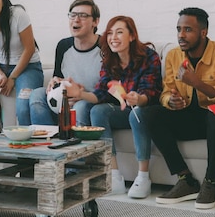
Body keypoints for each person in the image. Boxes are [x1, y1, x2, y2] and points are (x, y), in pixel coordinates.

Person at [65, 16, 162, 199]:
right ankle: (114, 175)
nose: (113, 38)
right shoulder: (109, 60)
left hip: (145, 110)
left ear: (132, 36)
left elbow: (151, 94)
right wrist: (79, 94)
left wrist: (138, 98)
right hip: (124, 110)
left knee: (137, 114)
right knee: (97, 110)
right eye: (110, 33)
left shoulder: (149, 56)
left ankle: (143, 177)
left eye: (119, 32)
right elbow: (100, 93)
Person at [146, 7, 215, 209]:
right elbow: (166, 91)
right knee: (152, 114)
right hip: (187, 119)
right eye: (178, 29)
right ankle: (186, 180)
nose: (181, 35)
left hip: (214, 122)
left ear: (203, 32)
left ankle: (210, 182)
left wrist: (198, 84)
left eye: (187, 30)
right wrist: (171, 101)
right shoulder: (174, 55)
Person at [29, 0, 101, 126]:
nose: (76, 19)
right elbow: (59, 77)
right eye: (72, 15)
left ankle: (76, 145)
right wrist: (55, 81)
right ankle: (48, 142)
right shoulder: (63, 46)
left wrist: (81, 94)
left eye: (83, 16)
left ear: (95, 22)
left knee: (79, 108)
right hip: (65, 99)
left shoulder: (105, 47)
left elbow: (109, 90)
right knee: (37, 95)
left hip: (91, 101)